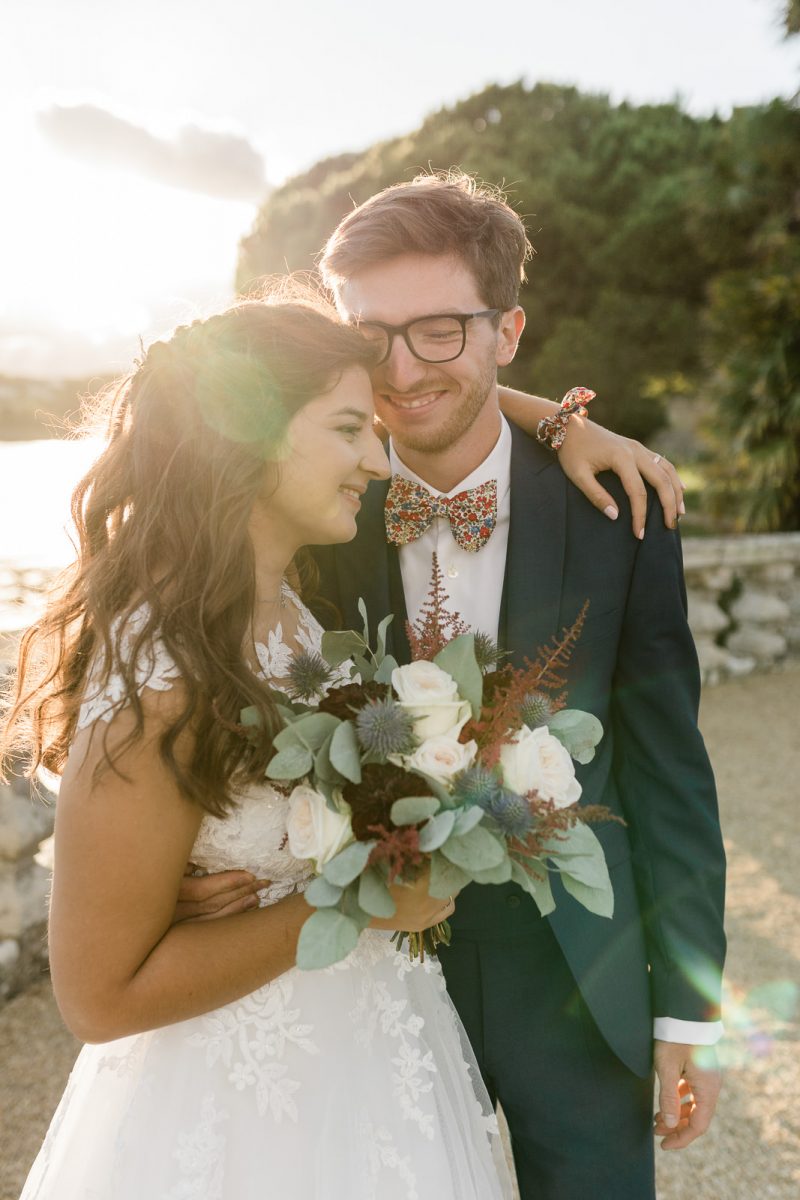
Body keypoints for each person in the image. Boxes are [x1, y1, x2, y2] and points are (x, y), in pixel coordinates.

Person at [186, 174, 725, 1199]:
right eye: (369, 334)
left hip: (576, 968)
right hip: (362, 973)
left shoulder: (619, 515)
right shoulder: (307, 506)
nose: (401, 367)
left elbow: (668, 773)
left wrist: (683, 1011)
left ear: (505, 330)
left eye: (438, 330)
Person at [3, 297, 517, 1199]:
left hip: (370, 1062)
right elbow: (94, 995)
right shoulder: (162, 670)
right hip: (234, 1114)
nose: (376, 456)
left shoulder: (295, 615)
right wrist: (359, 902)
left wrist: (567, 424)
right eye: (350, 427)